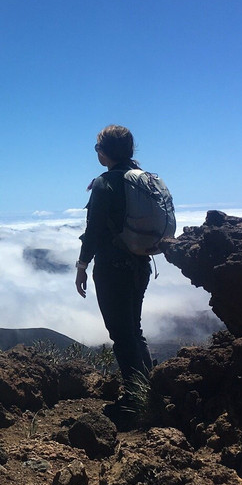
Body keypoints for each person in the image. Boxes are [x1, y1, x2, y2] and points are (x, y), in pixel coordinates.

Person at [74, 124, 153, 385]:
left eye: (98, 148)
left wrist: (82, 265)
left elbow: (94, 230)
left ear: (104, 152)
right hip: (141, 263)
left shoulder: (104, 184)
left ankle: (135, 396)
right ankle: (149, 390)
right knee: (134, 329)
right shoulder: (144, 179)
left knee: (121, 334)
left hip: (112, 267)